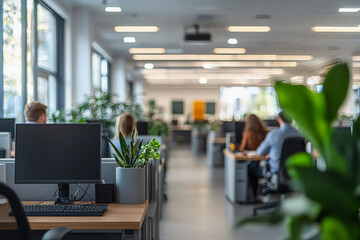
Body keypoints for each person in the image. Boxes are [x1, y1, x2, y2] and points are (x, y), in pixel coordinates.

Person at [248, 111, 301, 199]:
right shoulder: (299, 134)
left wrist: (271, 155)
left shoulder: (273, 134)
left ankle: (254, 197)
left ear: (278, 120)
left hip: (276, 173)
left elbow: (260, 152)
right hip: (294, 173)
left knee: (252, 167)